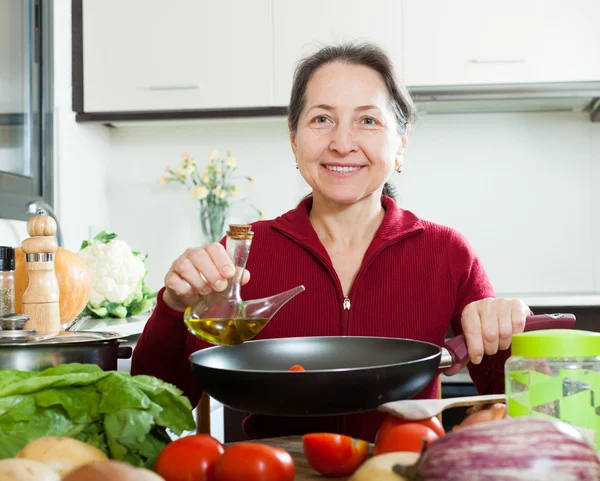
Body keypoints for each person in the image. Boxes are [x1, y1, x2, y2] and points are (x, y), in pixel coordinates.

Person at [131, 41, 530, 442]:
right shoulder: (249, 251)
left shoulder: (447, 253)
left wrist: (512, 334)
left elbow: (513, 396)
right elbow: (159, 400)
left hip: (400, 467)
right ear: (294, 140)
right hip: (274, 470)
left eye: (368, 121)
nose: (342, 142)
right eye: (322, 119)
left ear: (401, 145)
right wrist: (172, 308)